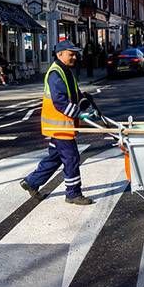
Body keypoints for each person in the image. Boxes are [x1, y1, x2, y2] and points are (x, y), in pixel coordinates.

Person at [21, 41, 94, 205]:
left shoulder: (65, 70)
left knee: (55, 158)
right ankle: (73, 193)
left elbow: (74, 92)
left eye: (75, 54)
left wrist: (83, 100)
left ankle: (31, 182)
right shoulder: (56, 73)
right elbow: (60, 102)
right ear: (60, 54)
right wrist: (80, 114)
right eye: (71, 54)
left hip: (61, 126)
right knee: (72, 158)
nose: (74, 57)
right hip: (60, 126)